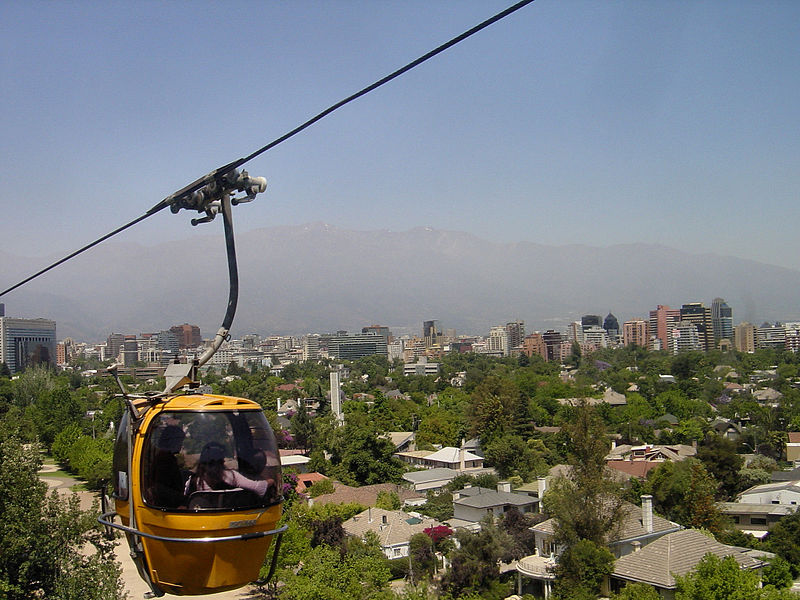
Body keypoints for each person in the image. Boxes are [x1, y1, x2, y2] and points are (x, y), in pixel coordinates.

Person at [185, 441, 268, 497]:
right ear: (221, 460)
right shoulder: (231, 476)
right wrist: (270, 481)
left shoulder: (194, 481)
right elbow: (259, 488)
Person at [146, 424, 188, 508]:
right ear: (171, 441)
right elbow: (161, 487)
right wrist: (183, 499)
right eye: (179, 441)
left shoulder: (167, 457)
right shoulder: (164, 459)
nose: (181, 445)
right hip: (167, 507)